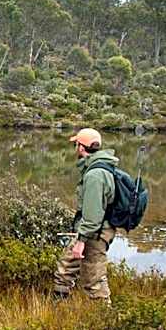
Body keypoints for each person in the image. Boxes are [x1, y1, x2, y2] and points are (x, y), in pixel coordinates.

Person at [54, 127, 118, 303]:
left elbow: (92, 214)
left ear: (81, 147)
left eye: (76, 144)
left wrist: (81, 241)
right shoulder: (98, 168)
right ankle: (59, 304)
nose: (75, 148)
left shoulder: (95, 175)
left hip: (94, 233)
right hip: (91, 230)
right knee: (66, 266)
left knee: (94, 278)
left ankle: (104, 320)